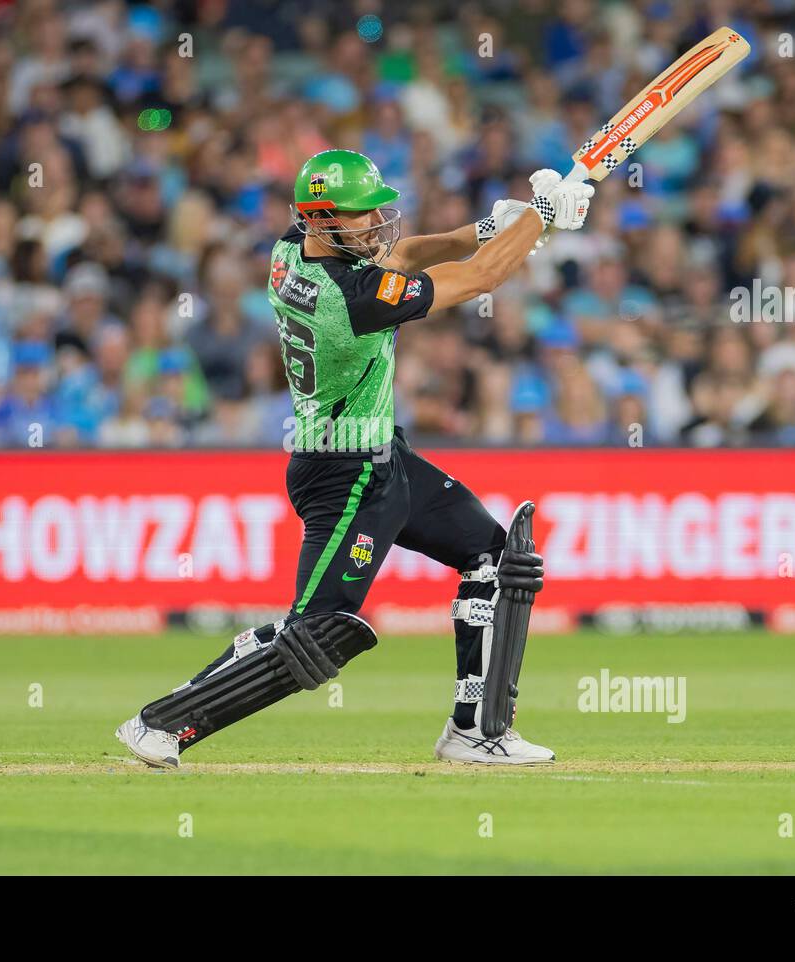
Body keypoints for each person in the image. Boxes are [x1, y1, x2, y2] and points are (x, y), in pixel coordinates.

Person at [117, 150, 594, 767]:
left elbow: (402, 255)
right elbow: (476, 281)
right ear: (322, 221)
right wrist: (542, 220)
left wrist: (483, 229)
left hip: (381, 458)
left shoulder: (292, 251)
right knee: (316, 634)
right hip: (343, 476)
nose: (375, 225)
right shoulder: (351, 299)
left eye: (376, 212)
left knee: (496, 559)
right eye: (360, 216)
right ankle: (162, 724)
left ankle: (476, 731)